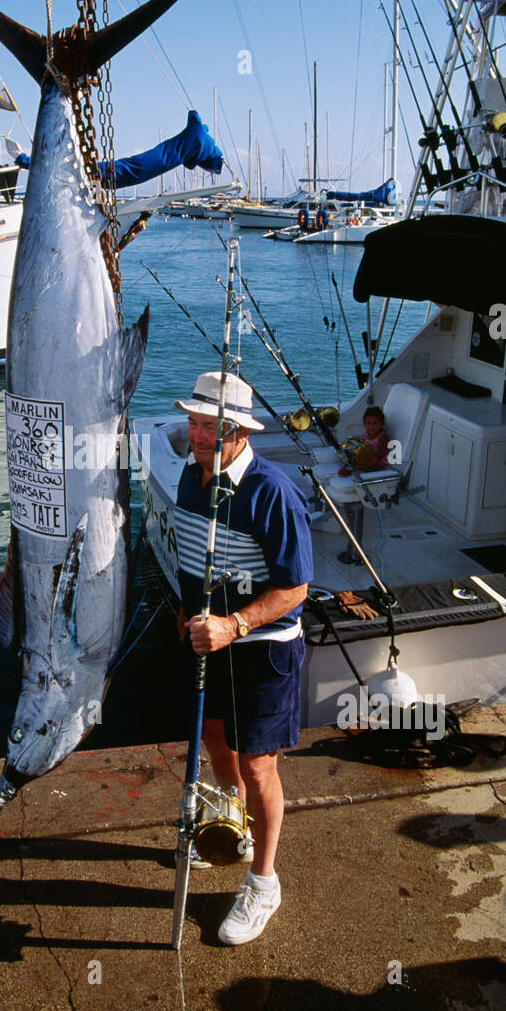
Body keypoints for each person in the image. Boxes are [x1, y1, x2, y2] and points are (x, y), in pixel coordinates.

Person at [175, 371, 313, 945]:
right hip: (206, 641)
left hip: (262, 649)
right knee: (213, 737)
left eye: (211, 428)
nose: (197, 436)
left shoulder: (272, 490)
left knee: (259, 766)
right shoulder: (188, 476)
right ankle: (233, 824)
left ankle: (263, 883)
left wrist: (234, 624)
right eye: (194, 423)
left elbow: (296, 588)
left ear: (238, 432)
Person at [337, 405, 390, 477]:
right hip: (367, 457)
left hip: (378, 463)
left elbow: (380, 454)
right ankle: (351, 467)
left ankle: (353, 468)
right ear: (364, 424)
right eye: (368, 423)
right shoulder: (366, 434)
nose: (371, 426)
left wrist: (364, 462)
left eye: (375, 423)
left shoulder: (383, 437)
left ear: (382, 425)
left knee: (372, 462)